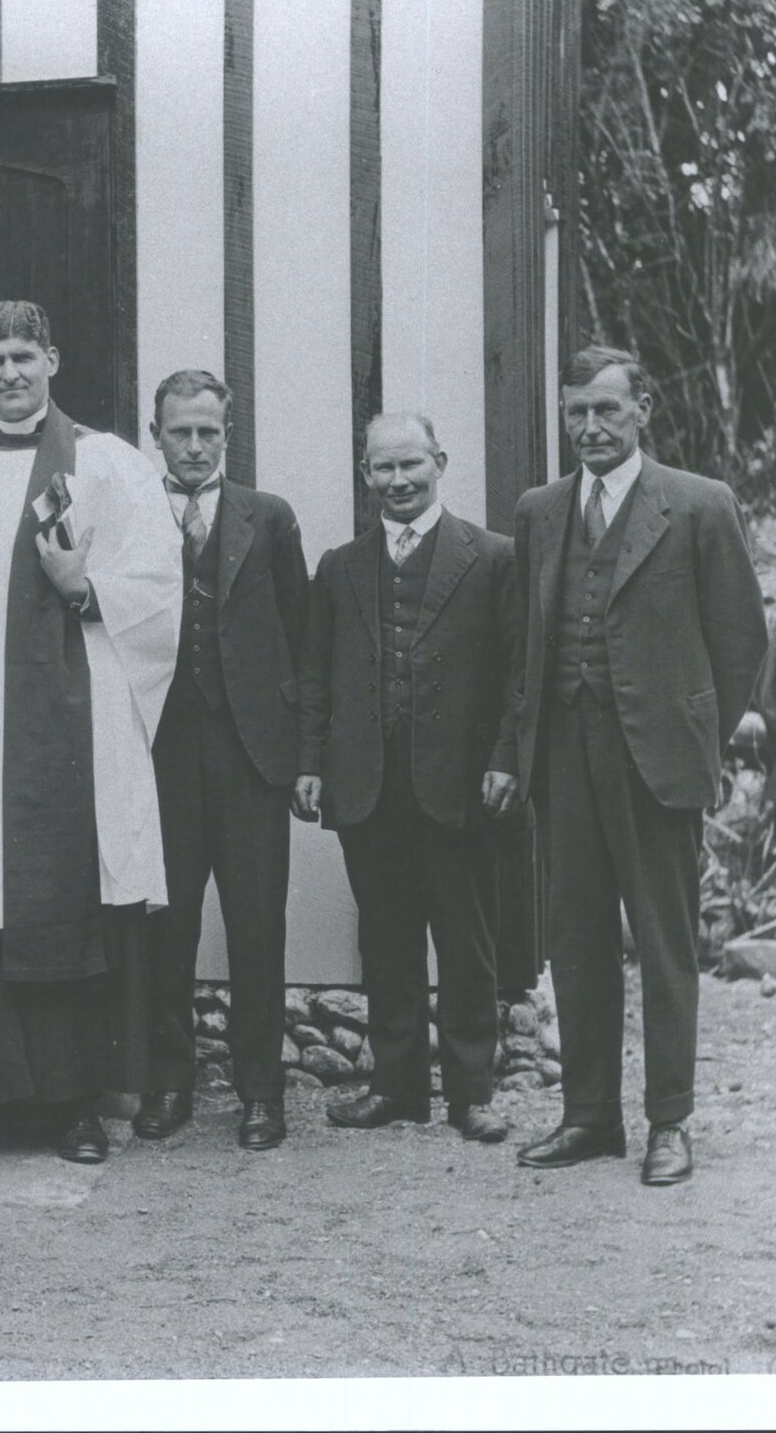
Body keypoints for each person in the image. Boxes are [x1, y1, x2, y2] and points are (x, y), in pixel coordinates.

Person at [0, 301, 181, 1165]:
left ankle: (70, 1106)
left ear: (53, 359)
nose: (11, 373)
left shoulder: (107, 462)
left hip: (65, 726)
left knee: (60, 906)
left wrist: (82, 586)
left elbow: (159, 591)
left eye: (25, 356)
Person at [511, 346, 767, 1186]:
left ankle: (669, 1122)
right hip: (564, 755)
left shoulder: (697, 505)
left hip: (655, 760)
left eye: (606, 411)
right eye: (576, 411)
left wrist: (693, 733)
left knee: (663, 944)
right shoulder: (541, 510)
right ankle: (588, 1116)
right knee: (575, 939)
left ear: (642, 409)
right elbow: (527, 641)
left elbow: (739, 642)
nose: (589, 427)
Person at [293, 413, 521, 1144]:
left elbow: (518, 678)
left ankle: (469, 1093)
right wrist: (309, 763)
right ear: (364, 475)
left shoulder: (490, 559)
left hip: (459, 788)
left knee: (465, 942)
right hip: (368, 787)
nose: (396, 482)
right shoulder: (339, 567)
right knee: (385, 941)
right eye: (380, 469)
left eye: (409, 466)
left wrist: (503, 760)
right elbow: (315, 676)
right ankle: (394, 1087)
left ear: (439, 463)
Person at [142, 370, 307, 1151]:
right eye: (181, 432)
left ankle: (260, 1094)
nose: (196, 446)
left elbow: (300, 640)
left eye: (209, 431)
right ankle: (167, 1082)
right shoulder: (131, 514)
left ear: (226, 435)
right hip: (159, 753)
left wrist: (303, 754)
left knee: (254, 928)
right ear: (157, 436)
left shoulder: (266, 518)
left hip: (250, 756)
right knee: (164, 927)